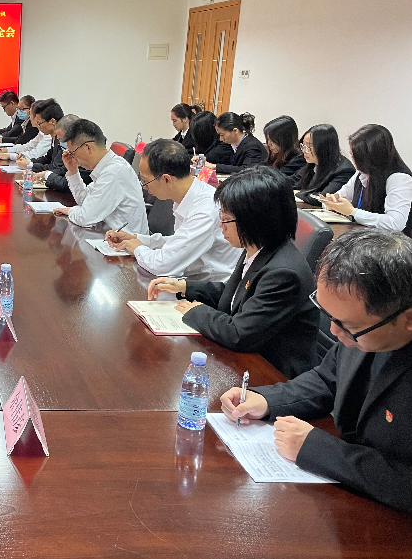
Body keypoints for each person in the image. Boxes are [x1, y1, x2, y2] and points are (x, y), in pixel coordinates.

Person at [221, 228, 412, 511]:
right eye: (329, 317)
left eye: (348, 325)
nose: (334, 332)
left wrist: (320, 450)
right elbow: (327, 378)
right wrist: (267, 400)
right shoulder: (364, 327)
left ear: (408, 319)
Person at [148, 167, 319, 378]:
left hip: (274, 374)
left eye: (227, 219)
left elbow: (239, 333)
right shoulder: (257, 247)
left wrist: (195, 311)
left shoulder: (284, 274)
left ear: (255, 221)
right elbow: (235, 295)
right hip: (248, 359)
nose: (221, 225)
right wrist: (185, 286)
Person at [107, 139, 236, 282]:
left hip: (208, 287)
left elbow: (162, 265)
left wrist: (137, 248)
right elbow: (179, 242)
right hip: (190, 277)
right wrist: (138, 239)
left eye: (145, 181)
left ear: (166, 179)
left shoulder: (205, 210)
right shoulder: (189, 194)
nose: (144, 187)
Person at [52, 119, 148, 233]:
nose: (73, 157)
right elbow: (84, 201)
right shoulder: (106, 167)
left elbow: (85, 218)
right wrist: (73, 172)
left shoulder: (113, 172)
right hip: (109, 233)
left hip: (126, 240)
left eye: (73, 152)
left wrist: (71, 211)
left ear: (88, 147)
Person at [319, 124, 412, 234]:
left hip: (389, 242)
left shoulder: (399, 178)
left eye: (357, 157)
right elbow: (342, 196)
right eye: (352, 155)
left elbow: (395, 223)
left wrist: (353, 212)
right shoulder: (361, 173)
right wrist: (332, 203)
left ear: (373, 156)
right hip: (363, 236)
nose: (353, 161)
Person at [294, 124, 355, 206]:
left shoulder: (344, 171)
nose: (304, 150)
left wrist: (298, 193)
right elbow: (291, 182)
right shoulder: (312, 164)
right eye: (303, 145)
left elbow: (323, 198)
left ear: (324, 147)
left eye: (309, 146)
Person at [32, 114, 93, 193]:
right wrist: (45, 174)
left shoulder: (86, 154)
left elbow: (65, 185)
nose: (60, 142)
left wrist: (47, 175)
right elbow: (63, 170)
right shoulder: (72, 151)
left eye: (62, 139)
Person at [0, 97, 54, 167]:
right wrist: (6, 150)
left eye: (30, 113)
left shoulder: (48, 134)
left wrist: (9, 155)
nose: (29, 115)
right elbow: (28, 146)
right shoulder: (42, 132)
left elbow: (36, 155)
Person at [200, 112, 267, 175]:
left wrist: (214, 166)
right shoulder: (233, 144)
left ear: (235, 131)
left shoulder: (252, 146)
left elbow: (247, 170)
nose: (220, 139)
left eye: (222, 135)